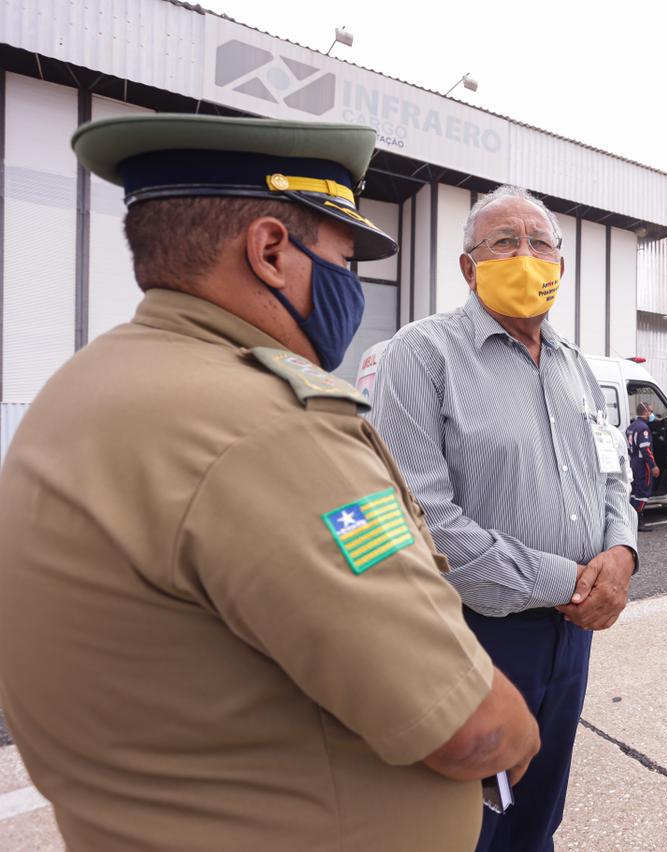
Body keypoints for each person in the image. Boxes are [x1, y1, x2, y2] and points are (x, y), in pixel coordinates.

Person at [0, 115, 539, 852]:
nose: (351, 288)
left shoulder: (84, 389)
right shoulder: (269, 426)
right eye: (345, 261)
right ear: (270, 251)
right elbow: (468, 730)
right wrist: (516, 727)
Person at [368, 185, 638, 852]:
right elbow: (422, 520)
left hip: (570, 636)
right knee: (468, 823)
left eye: (540, 243)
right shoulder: (423, 354)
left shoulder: (577, 367)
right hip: (477, 634)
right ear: (469, 267)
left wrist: (622, 555)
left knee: (537, 814)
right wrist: (570, 580)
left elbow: (614, 473)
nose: (527, 255)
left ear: (561, 265)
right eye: (503, 243)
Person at [627, 403, 661, 531]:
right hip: (643, 464)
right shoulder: (643, 428)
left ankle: (631, 519)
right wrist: (653, 466)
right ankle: (638, 522)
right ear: (646, 412)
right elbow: (645, 449)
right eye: (651, 411)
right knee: (643, 491)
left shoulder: (631, 427)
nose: (652, 414)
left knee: (635, 491)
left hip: (634, 461)